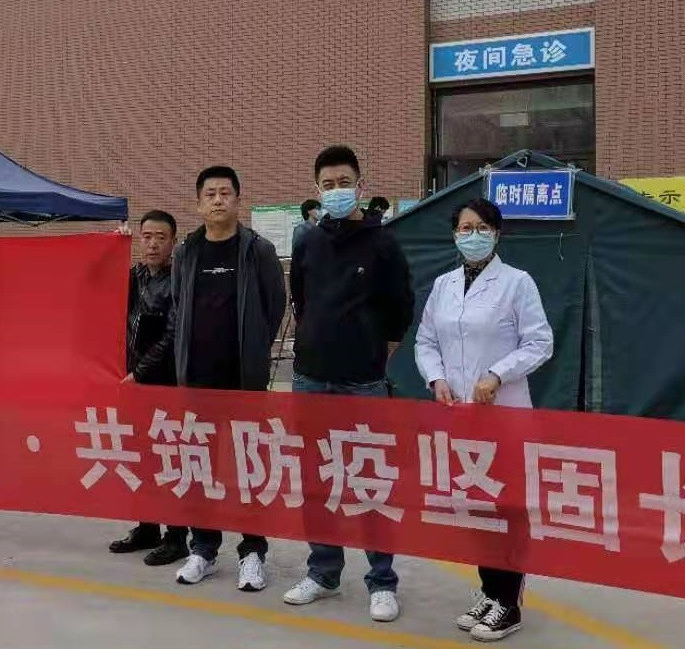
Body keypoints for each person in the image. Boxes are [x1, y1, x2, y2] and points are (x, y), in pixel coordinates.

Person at [414, 197, 553, 642]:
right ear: (454, 235)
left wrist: (497, 374)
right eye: (465, 228)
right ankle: (490, 591)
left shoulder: (517, 283)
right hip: (460, 415)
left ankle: (509, 602)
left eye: (481, 228)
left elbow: (540, 342)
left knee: (506, 506)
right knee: (475, 503)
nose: (472, 236)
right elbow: (425, 341)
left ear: (496, 233)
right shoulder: (444, 285)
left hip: (504, 412)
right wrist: (436, 378)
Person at [283, 146, 413, 623]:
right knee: (316, 479)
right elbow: (300, 299)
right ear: (316, 190)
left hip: (363, 382)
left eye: (344, 183)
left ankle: (382, 580)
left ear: (361, 186)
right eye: (328, 184)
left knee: (369, 479)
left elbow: (401, 308)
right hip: (310, 378)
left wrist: (375, 351)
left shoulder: (383, 243)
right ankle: (323, 571)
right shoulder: (307, 241)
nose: (336, 191)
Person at [169, 165, 286, 593]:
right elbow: (179, 306)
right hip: (197, 382)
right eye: (210, 194)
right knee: (199, 466)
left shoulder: (258, 251)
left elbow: (275, 307)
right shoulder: (186, 253)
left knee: (247, 470)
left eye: (225, 193)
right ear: (198, 203)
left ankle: (252, 552)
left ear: (238, 200)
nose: (218, 200)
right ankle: (202, 548)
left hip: (242, 382)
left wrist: (254, 350)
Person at [110, 210, 189, 567]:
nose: (153, 243)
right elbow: (100, 289)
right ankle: (147, 527)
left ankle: (177, 536)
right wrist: (112, 247)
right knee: (140, 458)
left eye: (161, 237)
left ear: (173, 242)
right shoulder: (136, 276)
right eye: (146, 236)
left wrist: (139, 372)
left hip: (164, 384)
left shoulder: (178, 281)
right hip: (133, 384)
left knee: (169, 460)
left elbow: (172, 335)